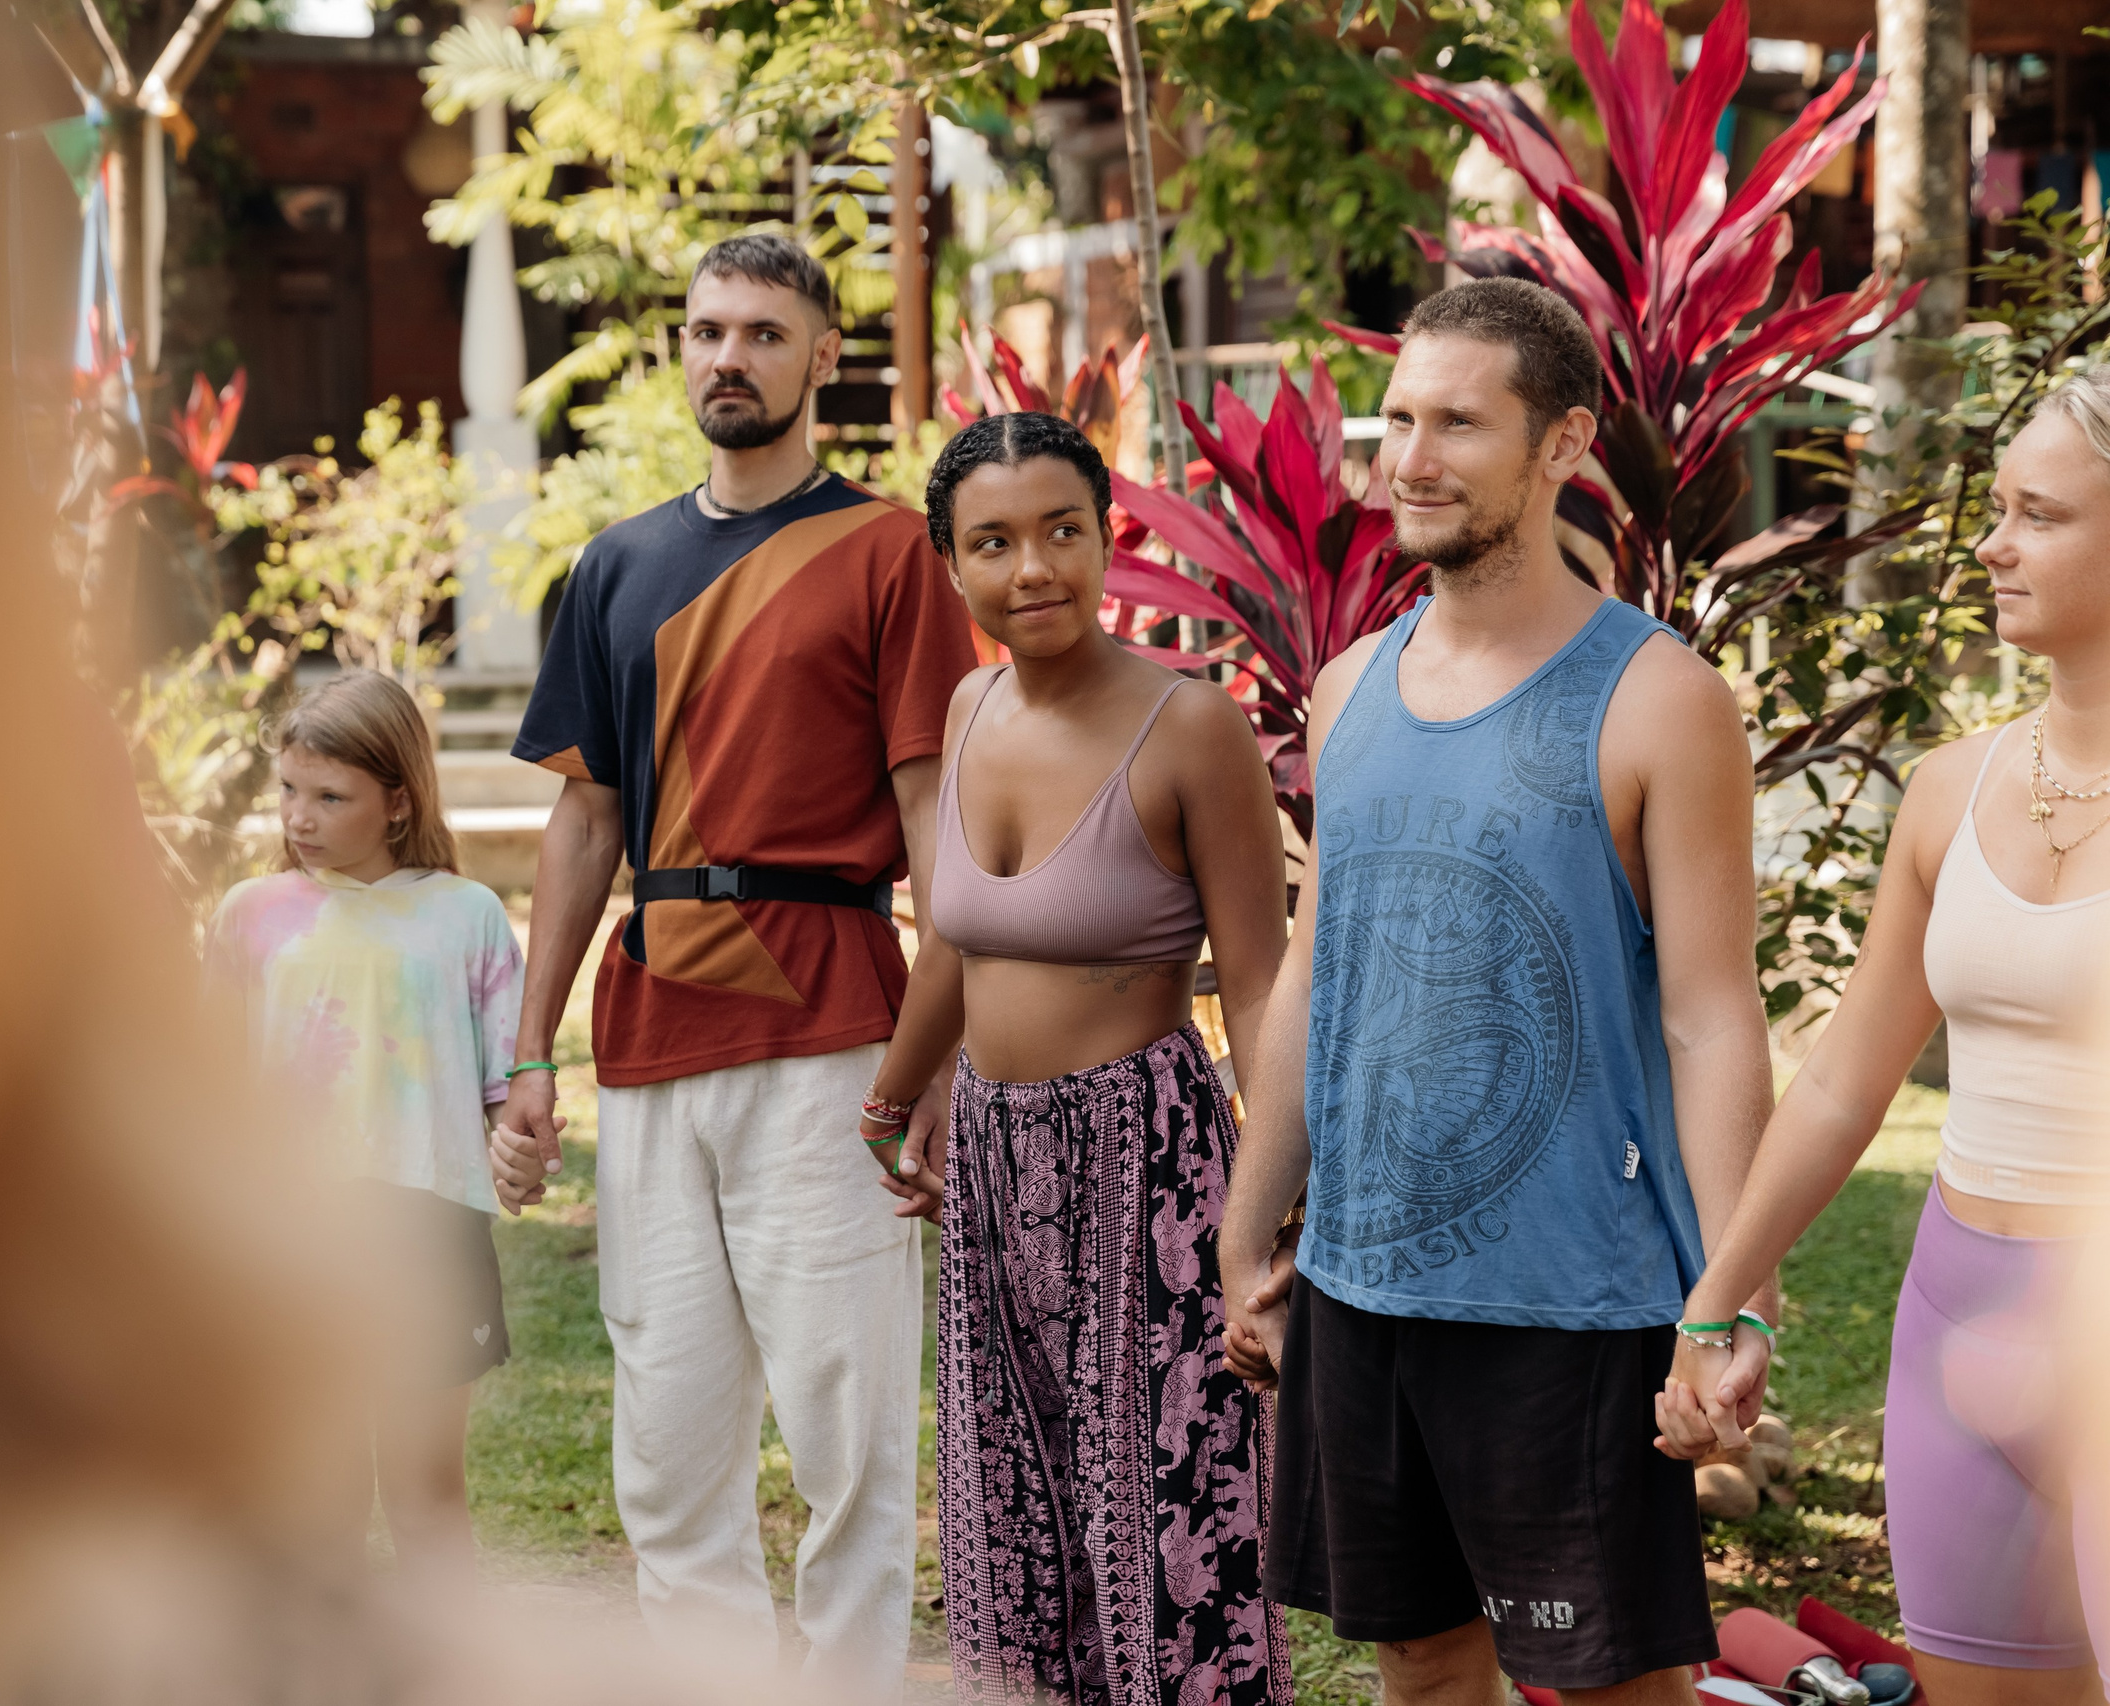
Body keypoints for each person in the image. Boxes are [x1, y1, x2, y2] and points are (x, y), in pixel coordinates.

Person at [1213, 278, 1776, 1705]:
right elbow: (1313, 986)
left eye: (1460, 421)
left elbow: (1714, 1017)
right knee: (1418, 1660)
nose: (1410, 456)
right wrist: (1246, 1224)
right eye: (1399, 417)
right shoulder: (1347, 689)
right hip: (1362, 1285)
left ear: (1564, 440)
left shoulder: (1658, 697)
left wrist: (1732, 1295)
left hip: (1572, 1305)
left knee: (1603, 1687)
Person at [485, 232, 977, 1689]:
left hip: (834, 1032)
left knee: (848, 1435)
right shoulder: (615, 564)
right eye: (708, 330)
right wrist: (529, 1057)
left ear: (824, 357)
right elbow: (584, 822)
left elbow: (931, 812)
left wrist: (936, 1051)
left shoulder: (889, 548)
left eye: (765, 333)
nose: (729, 357)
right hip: (647, 1045)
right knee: (669, 1441)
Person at [1657, 369, 2110, 1706]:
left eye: (2039, 514)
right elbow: (1848, 1080)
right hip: (1955, 1312)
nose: (1991, 541)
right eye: (1999, 508)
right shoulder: (1947, 791)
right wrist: (1720, 1295)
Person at [853, 412, 1292, 1704]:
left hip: (1145, 1158)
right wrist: (898, 1093)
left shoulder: (1190, 726)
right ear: (949, 563)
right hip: (993, 1151)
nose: (1031, 568)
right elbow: (956, 937)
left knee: (1167, 1513)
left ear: (1108, 539)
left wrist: (1273, 1200)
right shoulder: (970, 702)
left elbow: (1260, 981)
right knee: (1013, 1512)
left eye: (1061, 531)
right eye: (992, 542)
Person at [204, 672, 525, 1556]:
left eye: (329, 796)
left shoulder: (468, 917)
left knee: (426, 1497)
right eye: (289, 791)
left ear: (397, 801)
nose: (297, 817)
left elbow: (509, 1092)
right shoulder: (250, 917)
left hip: (429, 1238)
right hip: (294, 1239)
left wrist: (524, 1146)